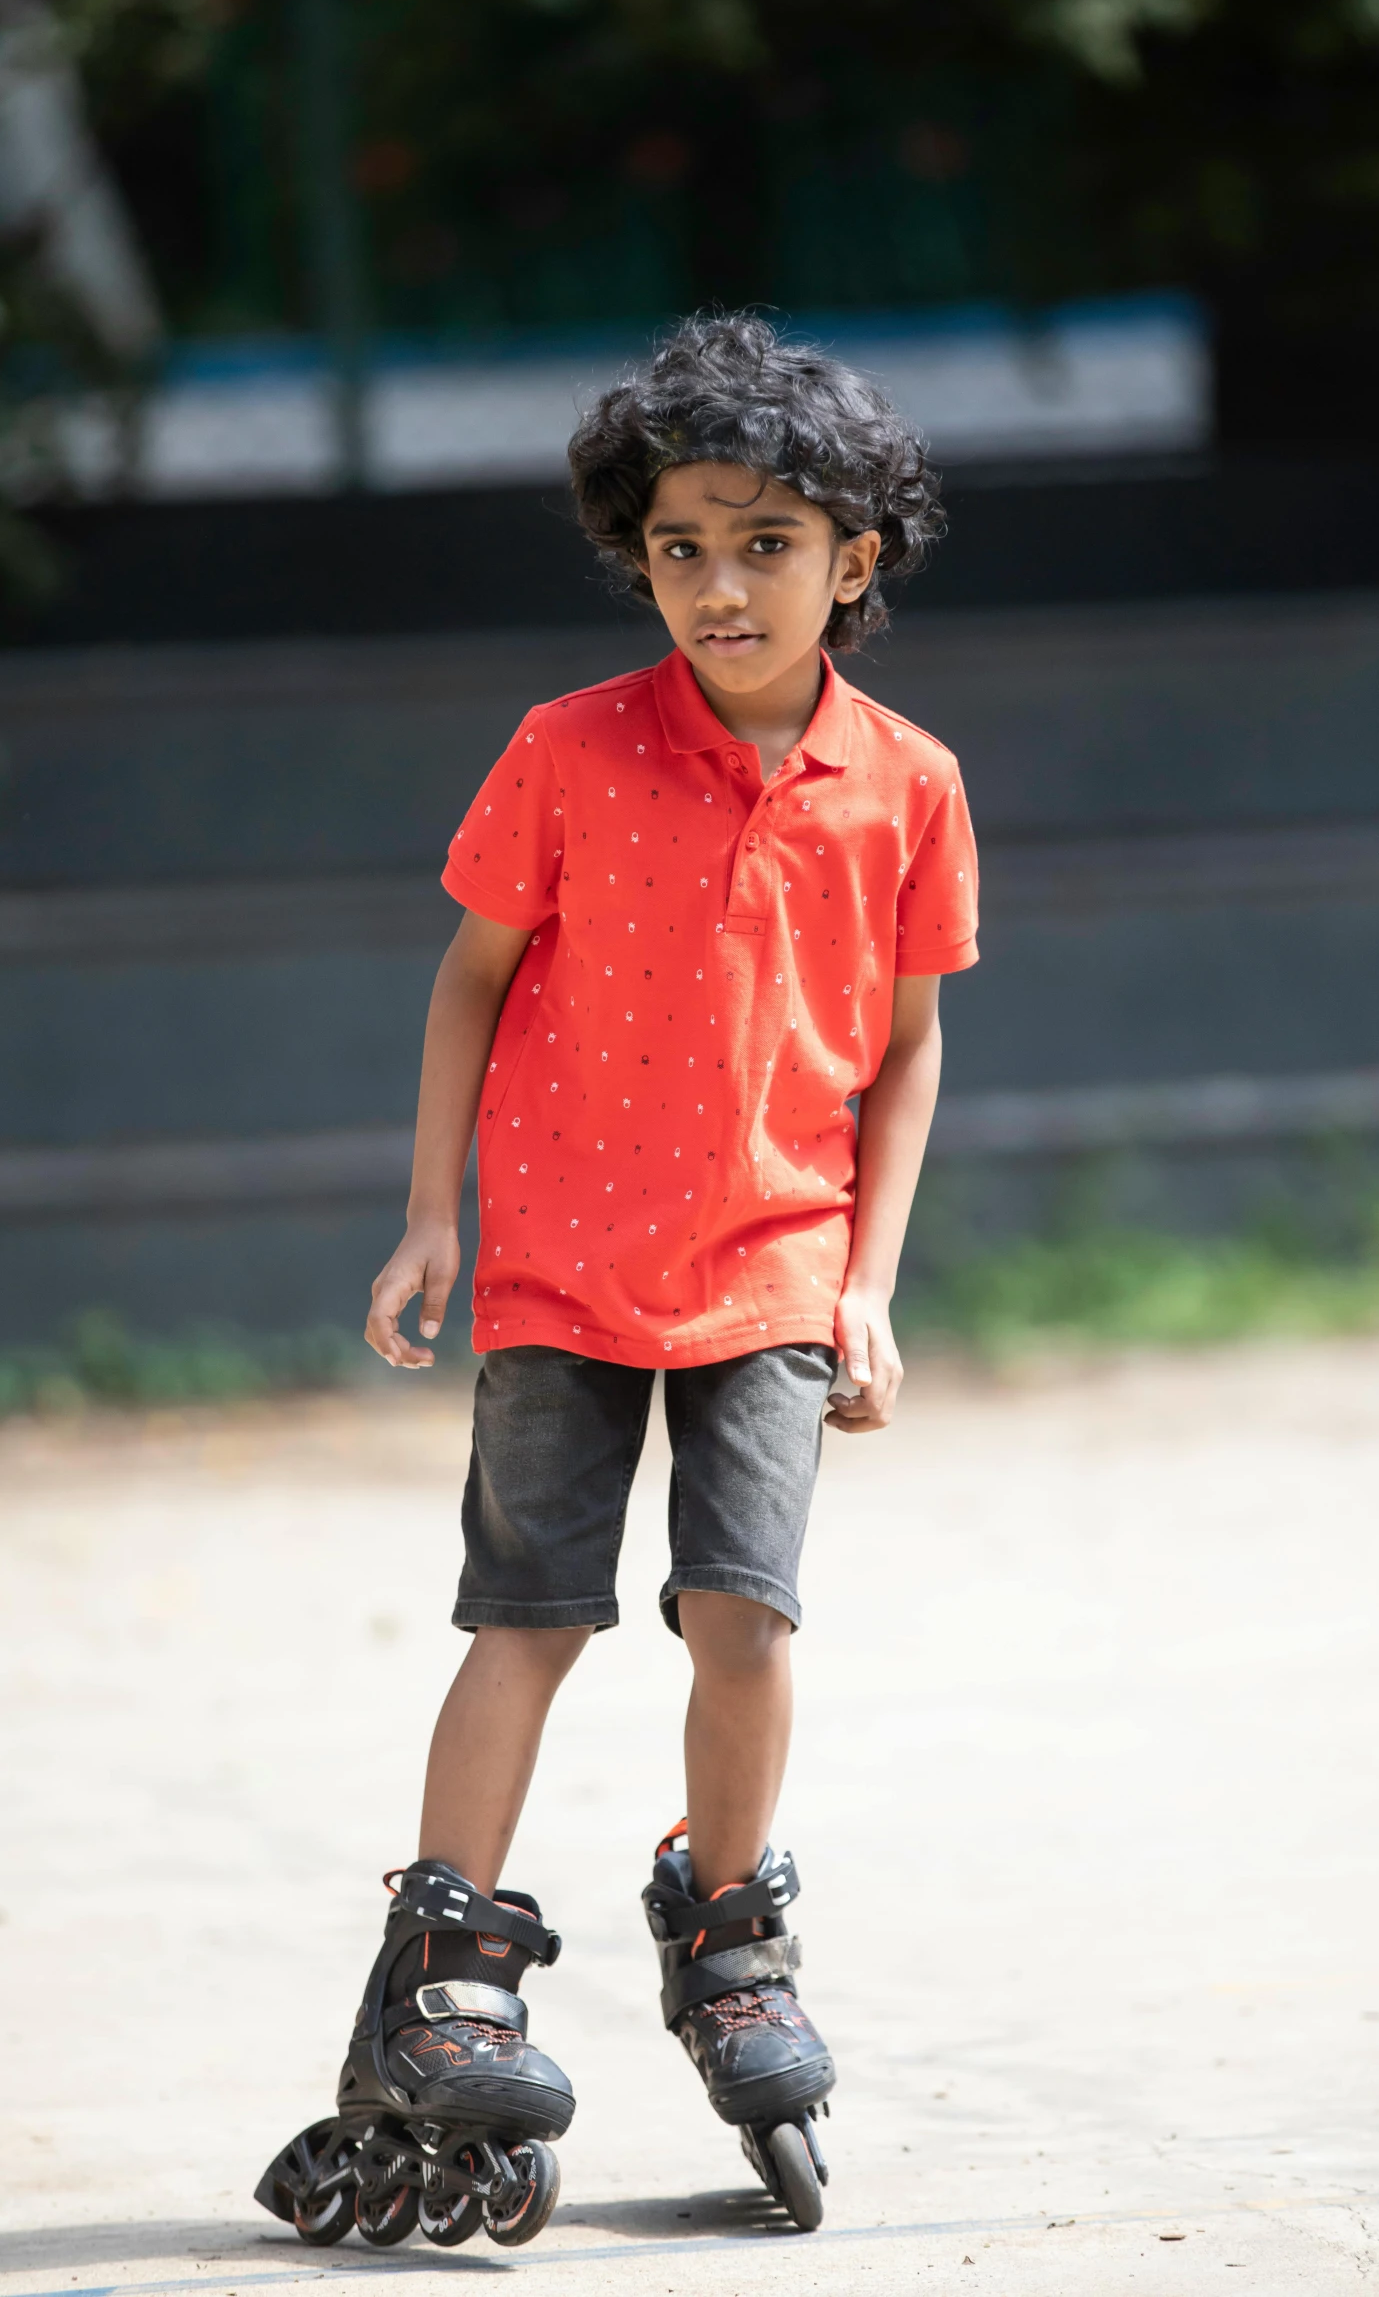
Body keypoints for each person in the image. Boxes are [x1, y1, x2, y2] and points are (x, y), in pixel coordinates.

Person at [254, 313, 978, 2248]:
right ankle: (448, 1964)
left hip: (770, 1262)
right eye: (677, 546)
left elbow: (905, 1046)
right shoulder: (565, 749)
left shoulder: (904, 782)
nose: (716, 585)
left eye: (762, 543)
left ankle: (729, 1935)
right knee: (531, 1618)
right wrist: (431, 1214)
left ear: (855, 562)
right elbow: (470, 979)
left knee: (743, 1618)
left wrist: (873, 1279)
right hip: (560, 1269)